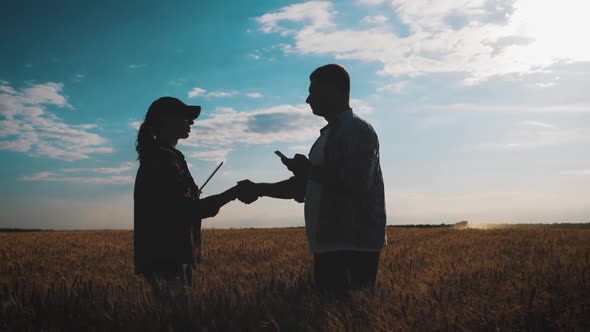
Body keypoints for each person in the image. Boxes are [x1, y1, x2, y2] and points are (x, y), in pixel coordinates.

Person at [238, 64, 387, 295]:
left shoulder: (356, 130)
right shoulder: (330, 133)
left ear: (333, 91)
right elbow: (309, 185)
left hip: (352, 245)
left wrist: (307, 170)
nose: (308, 99)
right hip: (331, 243)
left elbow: (356, 184)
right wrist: (259, 188)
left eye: (313, 91)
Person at [133, 96, 241, 309]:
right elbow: (183, 211)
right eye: (185, 118)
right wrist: (233, 193)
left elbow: (174, 205)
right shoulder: (163, 159)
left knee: (174, 316)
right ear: (167, 120)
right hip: (167, 256)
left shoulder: (165, 156)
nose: (191, 123)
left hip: (168, 255)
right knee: (177, 317)